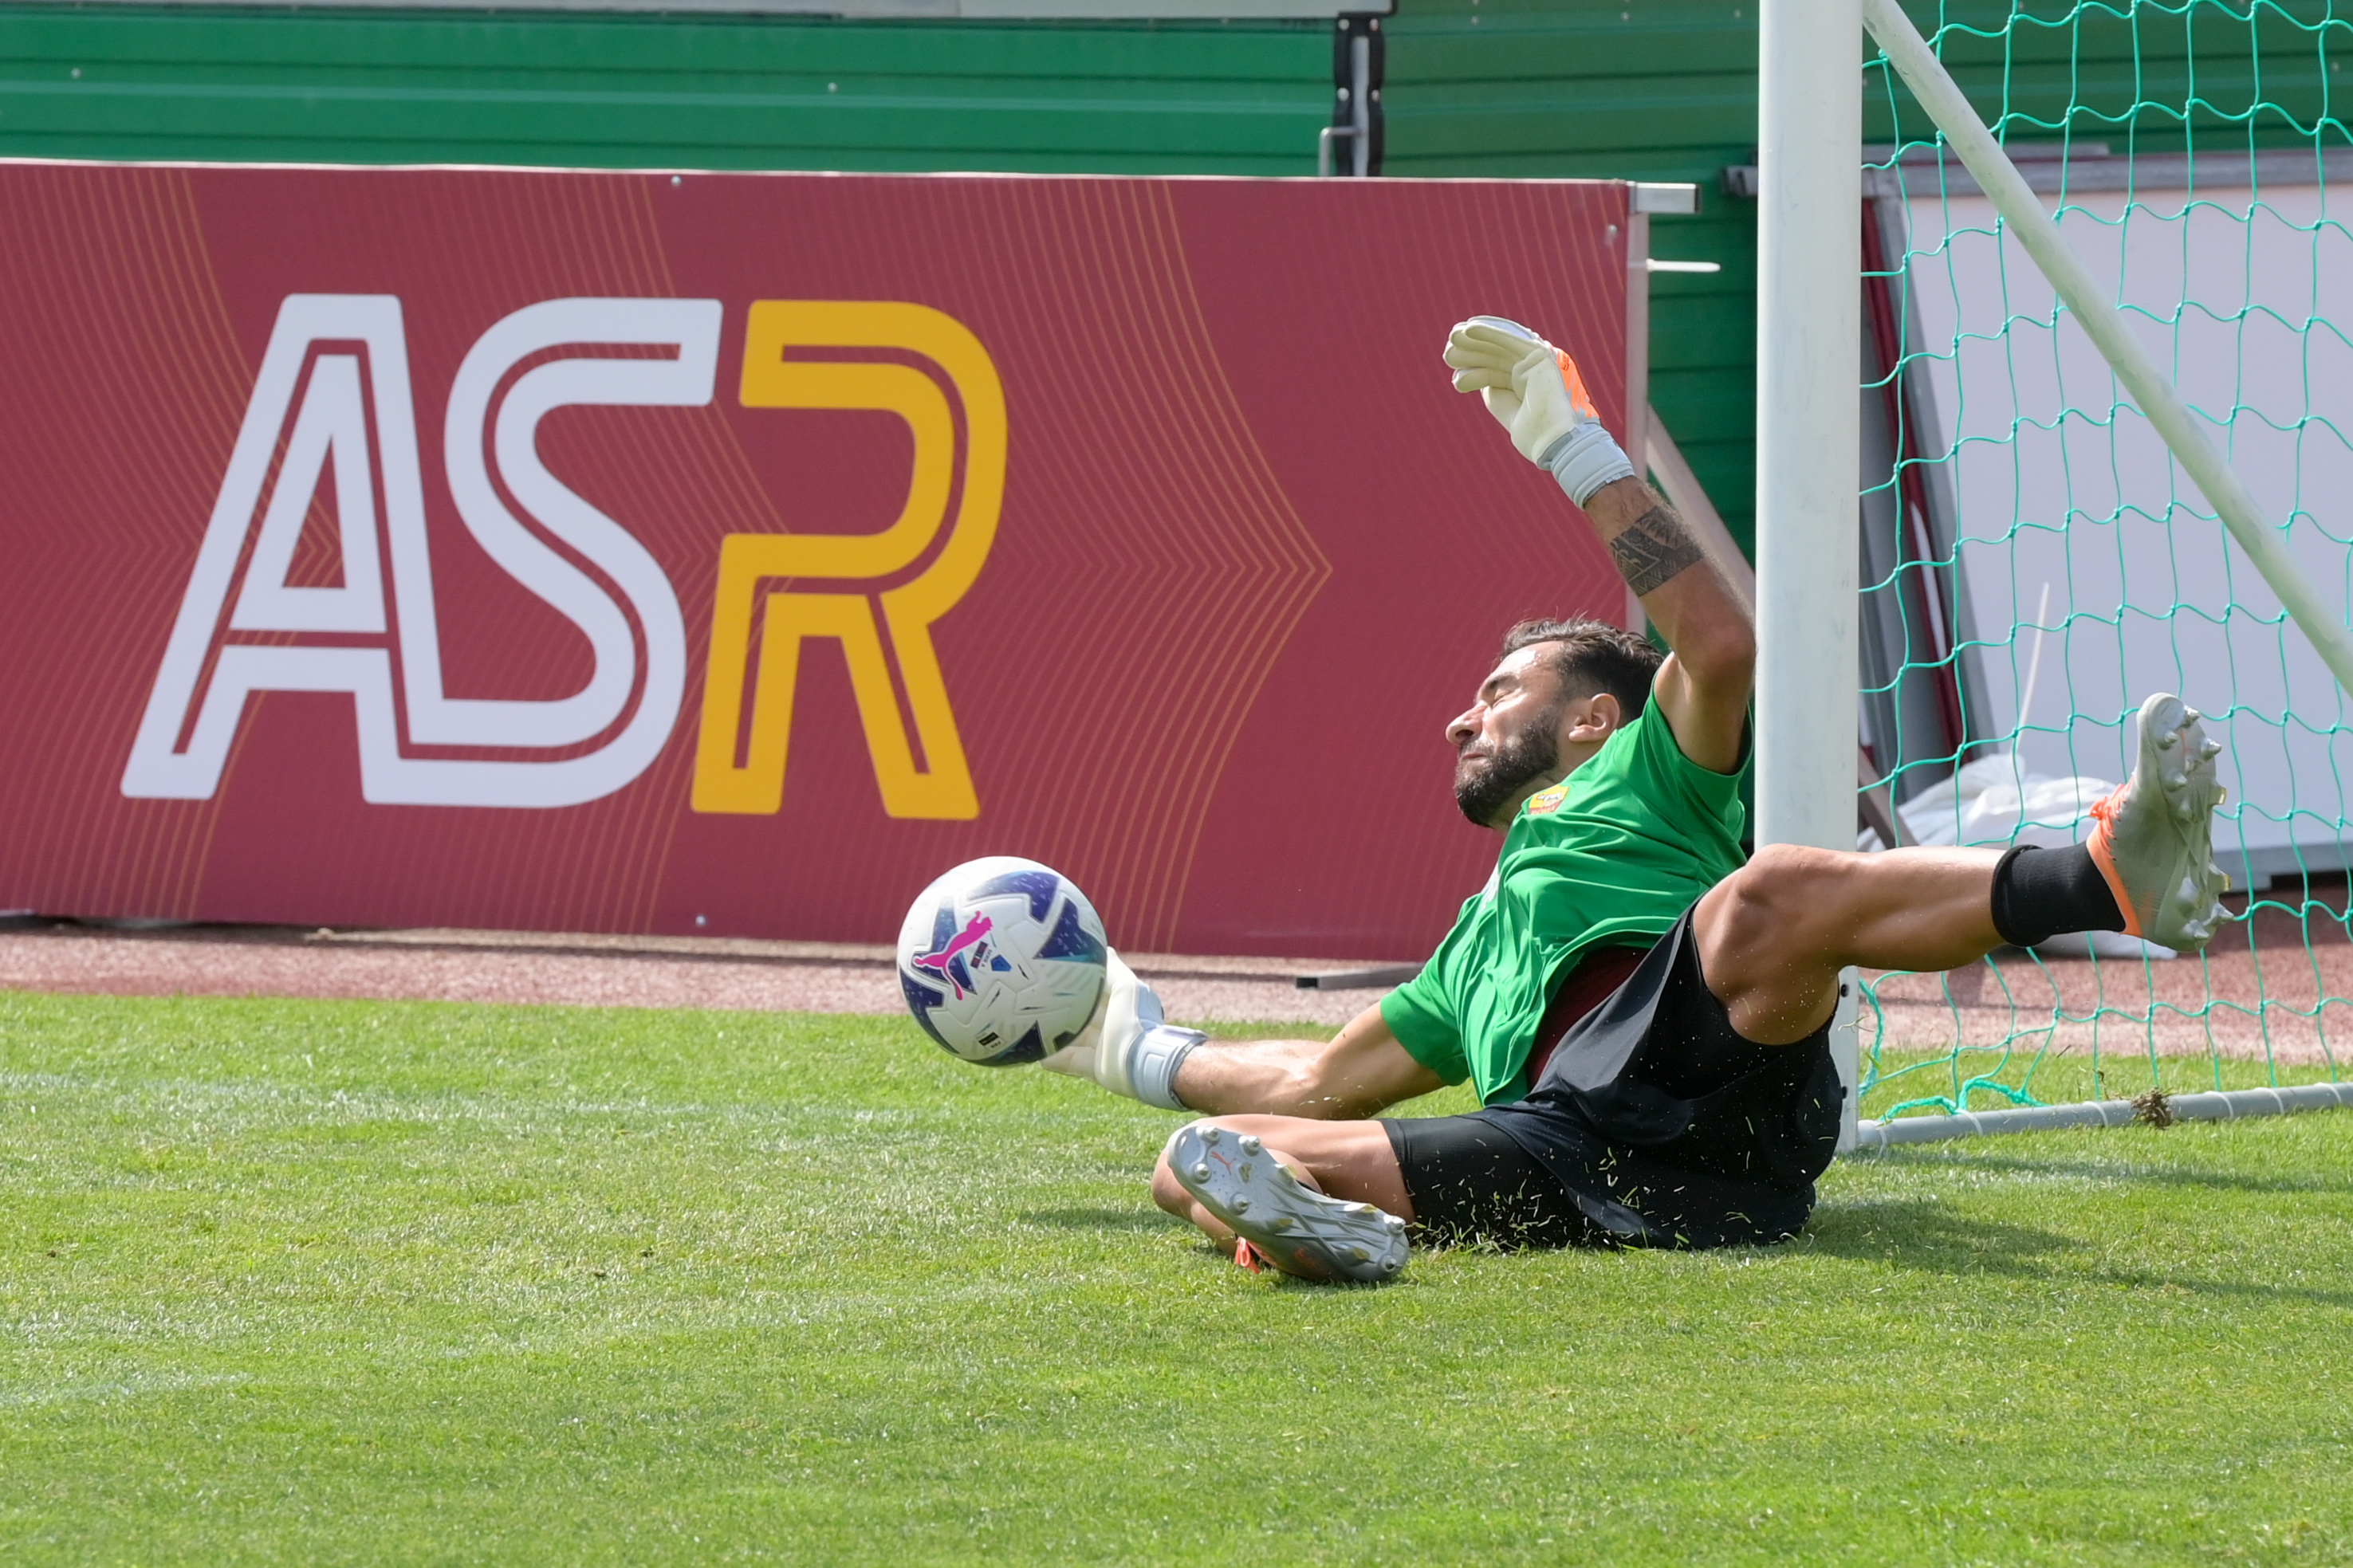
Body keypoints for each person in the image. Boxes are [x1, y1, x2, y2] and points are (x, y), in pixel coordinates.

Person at [1074, 316, 2229, 1283]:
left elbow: (1720, 641)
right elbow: (1311, 1079)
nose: (1461, 720)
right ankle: (1330, 1236)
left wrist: (1574, 446)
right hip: (1580, 1168)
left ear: (1591, 721)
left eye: (1495, 693)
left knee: (1771, 888)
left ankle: (2110, 879)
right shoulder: (1467, 955)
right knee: (1194, 1160)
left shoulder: (1652, 773)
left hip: (1732, 1112)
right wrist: (1120, 1043)